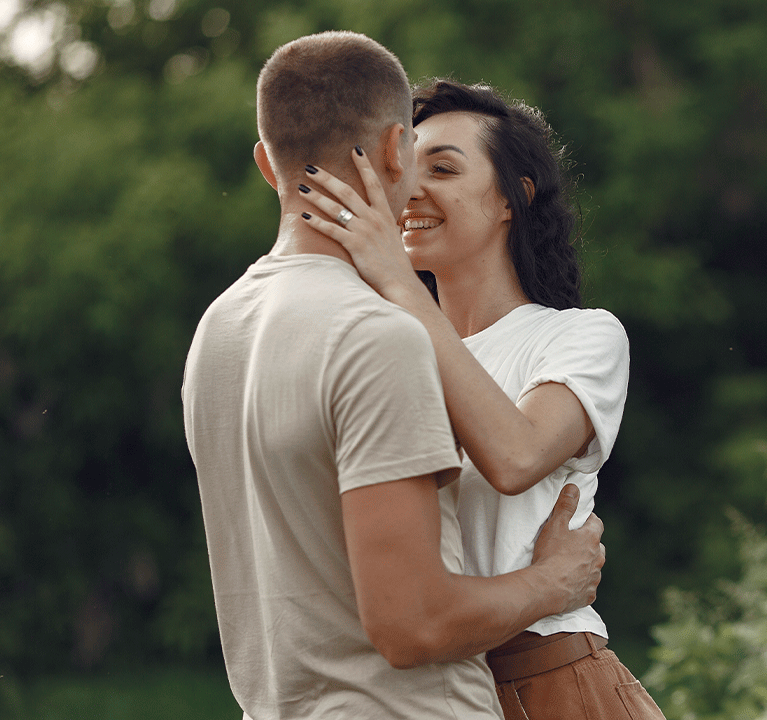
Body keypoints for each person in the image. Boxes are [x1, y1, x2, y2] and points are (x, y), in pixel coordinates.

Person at [181, 34, 605, 720]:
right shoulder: (376, 337)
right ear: (391, 152)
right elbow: (414, 625)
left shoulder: (219, 328)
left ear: (266, 164)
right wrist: (553, 583)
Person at [296, 79, 665, 719]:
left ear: (512, 199)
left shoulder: (580, 336)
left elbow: (516, 457)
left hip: (551, 680)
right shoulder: (382, 345)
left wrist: (396, 282)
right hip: (426, 696)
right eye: (405, 170)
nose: (411, 190)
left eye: (442, 168)